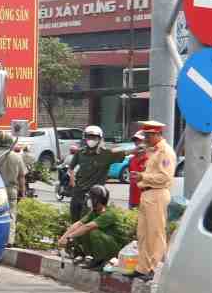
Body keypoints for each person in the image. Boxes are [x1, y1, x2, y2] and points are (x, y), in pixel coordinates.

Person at [133, 119, 175, 278]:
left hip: (158, 193)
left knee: (156, 234)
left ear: (158, 134)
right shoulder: (154, 151)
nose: (146, 138)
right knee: (143, 233)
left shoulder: (165, 152)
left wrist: (143, 176)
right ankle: (142, 268)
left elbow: (165, 177)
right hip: (147, 193)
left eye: (149, 135)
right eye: (145, 134)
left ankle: (154, 269)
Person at [57, 183, 126, 269]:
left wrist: (70, 237)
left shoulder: (109, 214)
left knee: (93, 232)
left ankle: (102, 261)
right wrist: (64, 237)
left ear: (97, 200)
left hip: (113, 248)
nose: (88, 200)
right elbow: (78, 224)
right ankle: (91, 258)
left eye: (91, 198)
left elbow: (88, 227)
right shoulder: (94, 212)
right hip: (103, 244)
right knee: (80, 231)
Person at [65, 125, 108, 219]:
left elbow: (124, 151)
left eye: (94, 137)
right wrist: (72, 181)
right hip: (78, 190)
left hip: (95, 193)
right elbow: (71, 168)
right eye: (89, 137)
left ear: (100, 138)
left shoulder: (106, 153)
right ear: (85, 138)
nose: (91, 139)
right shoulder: (80, 152)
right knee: (75, 214)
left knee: (89, 218)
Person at [0, 131, 27, 206]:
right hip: (11, 191)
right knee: (11, 214)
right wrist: (23, 193)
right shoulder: (17, 157)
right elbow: (21, 177)